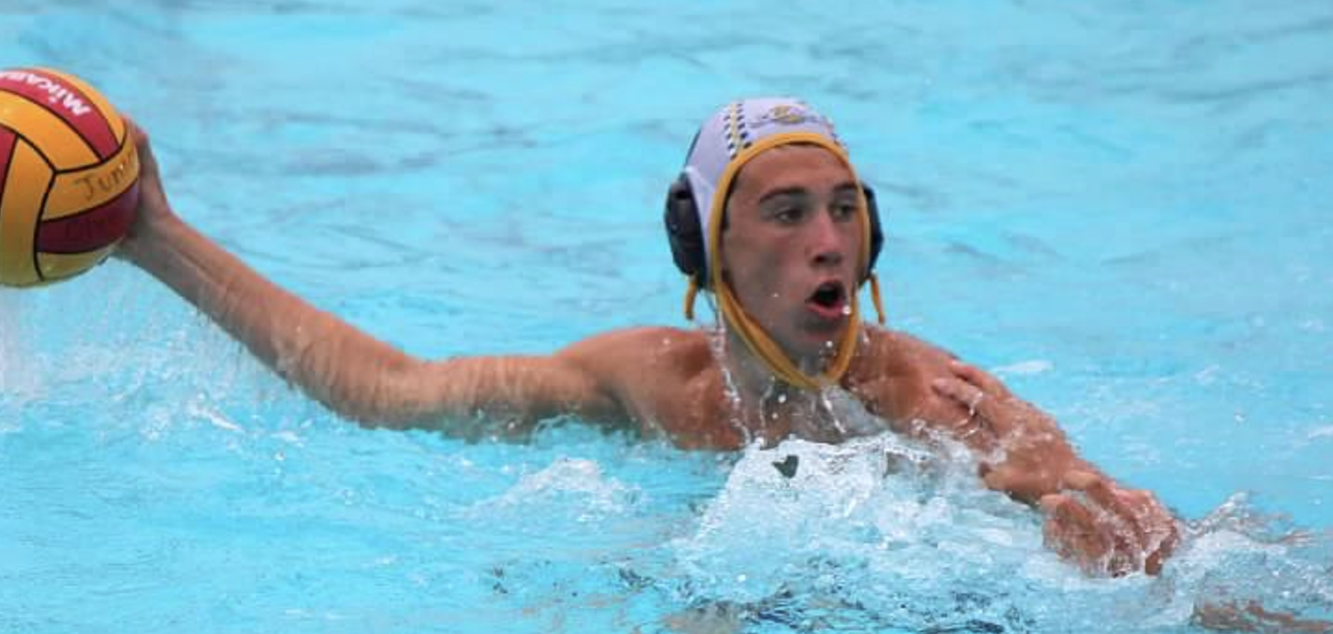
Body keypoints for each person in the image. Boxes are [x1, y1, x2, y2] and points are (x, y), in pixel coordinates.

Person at [117, 98, 1179, 576]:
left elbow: (1106, 511)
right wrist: (153, 239)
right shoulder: (649, 381)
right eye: (788, 211)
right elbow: (390, 389)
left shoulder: (928, 400)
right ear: (705, 250)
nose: (830, 242)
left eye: (846, 208)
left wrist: (1086, 515)